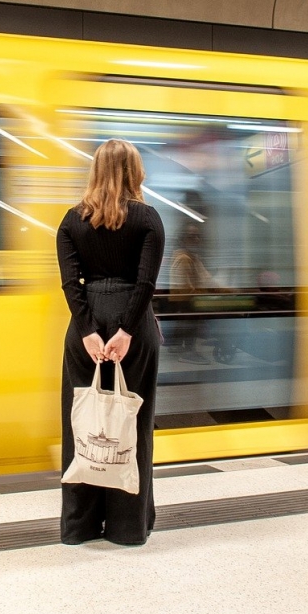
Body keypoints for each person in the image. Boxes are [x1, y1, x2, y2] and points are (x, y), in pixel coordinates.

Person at [56, 139, 165, 546]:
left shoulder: (71, 221)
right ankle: (126, 527)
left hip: (83, 332)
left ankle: (79, 527)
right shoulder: (148, 219)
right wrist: (127, 332)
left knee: (82, 425)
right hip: (133, 326)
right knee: (132, 426)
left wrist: (87, 331)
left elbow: (71, 283)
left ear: (96, 171)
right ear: (135, 171)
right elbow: (146, 283)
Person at [169, 223, 216, 365]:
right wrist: (208, 292)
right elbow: (185, 289)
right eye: (191, 236)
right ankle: (188, 351)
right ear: (183, 239)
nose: (196, 239)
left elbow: (207, 279)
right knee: (192, 318)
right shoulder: (183, 258)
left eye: (198, 236)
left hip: (189, 299)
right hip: (185, 301)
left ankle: (181, 346)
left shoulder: (193, 257)